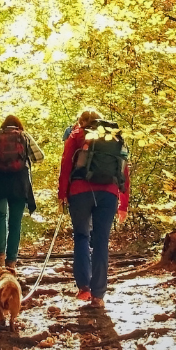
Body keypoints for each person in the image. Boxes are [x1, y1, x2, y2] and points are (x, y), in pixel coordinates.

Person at [58, 108, 130, 308]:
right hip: (108, 193)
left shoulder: (77, 135)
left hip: (80, 192)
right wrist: (123, 203)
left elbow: (66, 165)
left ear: (80, 121)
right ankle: (98, 295)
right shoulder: (114, 138)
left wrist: (62, 194)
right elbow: (124, 169)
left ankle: (84, 289)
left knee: (81, 236)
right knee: (101, 241)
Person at [0, 114, 44, 272]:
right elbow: (40, 157)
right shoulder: (24, 136)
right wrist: (24, 158)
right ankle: (12, 262)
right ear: (18, 125)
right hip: (19, 182)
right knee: (15, 222)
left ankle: (0, 258)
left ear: (4, 125)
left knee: (0, 217)